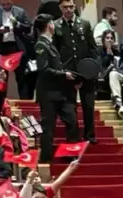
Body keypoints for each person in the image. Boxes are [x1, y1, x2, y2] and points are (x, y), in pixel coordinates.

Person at [33, 14, 80, 164]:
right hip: (48, 94)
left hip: (61, 92)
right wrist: (64, 75)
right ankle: (45, 159)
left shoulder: (49, 43)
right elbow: (44, 70)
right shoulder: (41, 45)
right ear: (49, 25)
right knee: (49, 128)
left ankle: (71, 154)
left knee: (72, 121)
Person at [53, 0, 98, 144]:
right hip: (67, 71)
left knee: (88, 105)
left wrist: (96, 68)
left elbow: (92, 47)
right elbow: (54, 51)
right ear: (60, 8)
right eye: (65, 7)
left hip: (86, 70)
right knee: (69, 107)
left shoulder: (84, 24)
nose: (69, 10)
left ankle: (90, 135)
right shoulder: (55, 25)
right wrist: (60, 71)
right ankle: (73, 137)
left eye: (71, 7)